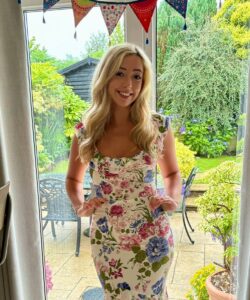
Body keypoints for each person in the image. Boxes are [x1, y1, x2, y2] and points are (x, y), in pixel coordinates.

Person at [66, 43, 181, 300]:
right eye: (120, 73)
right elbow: (73, 179)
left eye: (136, 76)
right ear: (105, 75)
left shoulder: (157, 126)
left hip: (153, 238)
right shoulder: (87, 131)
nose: (128, 84)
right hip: (107, 241)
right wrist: (80, 205)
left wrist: (172, 198)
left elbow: (172, 174)